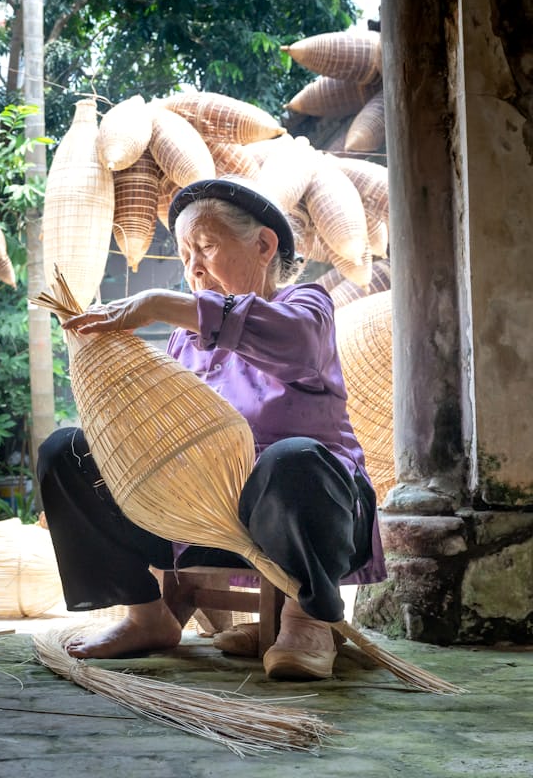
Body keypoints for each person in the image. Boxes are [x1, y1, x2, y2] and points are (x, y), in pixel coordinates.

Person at [38, 177, 384, 681]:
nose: (193, 267)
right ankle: (146, 615)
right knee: (67, 452)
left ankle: (307, 619)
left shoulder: (307, 305)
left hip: (311, 512)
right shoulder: (185, 338)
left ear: (263, 245)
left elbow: (297, 343)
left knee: (292, 458)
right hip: (199, 517)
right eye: (185, 255)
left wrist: (157, 303)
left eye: (205, 247)